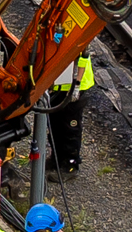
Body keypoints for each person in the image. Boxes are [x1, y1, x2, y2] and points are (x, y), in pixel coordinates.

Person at [42, 48, 98, 178]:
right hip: (59, 85)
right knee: (55, 125)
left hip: (75, 86)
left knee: (69, 127)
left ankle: (70, 165)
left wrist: (77, 85)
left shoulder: (79, 35)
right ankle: (57, 159)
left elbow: (83, 56)